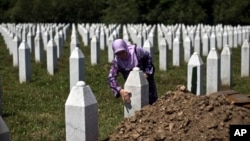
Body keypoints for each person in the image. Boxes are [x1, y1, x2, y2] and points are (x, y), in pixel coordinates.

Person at [108, 39, 158, 105]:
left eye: (122, 52)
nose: (121, 55)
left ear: (125, 48)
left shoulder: (137, 51)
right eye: (118, 53)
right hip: (131, 85)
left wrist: (147, 73)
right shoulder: (117, 62)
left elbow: (148, 57)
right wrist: (120, 90)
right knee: (135, 104)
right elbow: (111, 77)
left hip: (146, 81)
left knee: (152, 102)